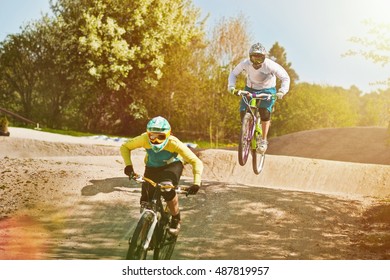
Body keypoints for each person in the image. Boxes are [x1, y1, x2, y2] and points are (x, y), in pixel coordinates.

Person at [120, 116, 203, 236]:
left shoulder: (173, 142)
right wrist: (128, 166)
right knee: (145, 199)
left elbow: (196, 161)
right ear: (148, 134)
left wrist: (196, 182)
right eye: (152, 136)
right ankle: (145, 230)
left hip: (172, 165)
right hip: (152, 167)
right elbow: (125, 147)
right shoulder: (143, 138)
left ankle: (176, 219)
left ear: (168, 135)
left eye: (161, 137)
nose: (156, 141)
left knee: (167, 187)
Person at [228, 42, 290, 152]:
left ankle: (263, 140)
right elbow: (233, 73)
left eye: (259, 58)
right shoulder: (245, 63)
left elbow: (285, 77)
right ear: (250, 57)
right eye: (254, 58)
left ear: (264, 57)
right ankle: (246, 131)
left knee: (264, 112)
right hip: (250, 88)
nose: (256, 61)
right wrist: (231, 86)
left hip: (267, 89)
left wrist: (281, 91)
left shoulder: (270, 65)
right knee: (243, 111)